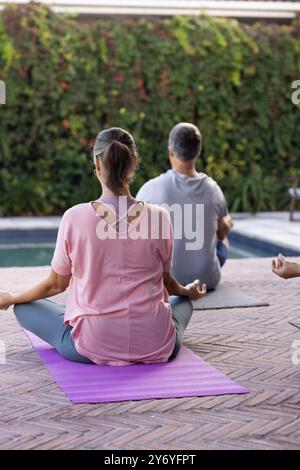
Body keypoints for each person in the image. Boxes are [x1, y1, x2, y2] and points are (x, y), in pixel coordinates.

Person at [0, 127, 206, 366]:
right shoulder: (160, 217)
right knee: (182, 302)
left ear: (97, 164)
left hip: (92, 345)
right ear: (133, 165)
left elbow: (56, 285)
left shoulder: (74, 217)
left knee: (23, 308)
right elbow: (167, 282)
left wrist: (12, 297)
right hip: (157, 342)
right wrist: (187, 291)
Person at [136, 122, 233, 291]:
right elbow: (221, 232)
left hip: (166, 279)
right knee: (225, 231)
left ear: (170, 151)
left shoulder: (149, 189)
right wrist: (228, 224)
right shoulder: (213, 189)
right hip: (207, 279)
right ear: (198, 151)